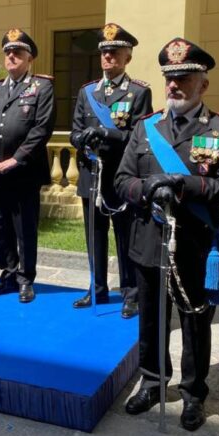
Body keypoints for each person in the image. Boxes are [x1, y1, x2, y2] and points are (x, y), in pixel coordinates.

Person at [114, 38, 219, 431]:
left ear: (202, 84)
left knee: (194, 320)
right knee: (151, 318)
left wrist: (184, 184)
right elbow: (123, 180)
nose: (175, 86)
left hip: (195, 241)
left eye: (184, 79)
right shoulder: (145, 127)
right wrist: (149, 188)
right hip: (147, 238)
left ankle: (193, 393)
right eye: (170, 78)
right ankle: (153, 380)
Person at [69, 23, 152, 318]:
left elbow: (138, 136)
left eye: (115, 53)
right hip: (92, 175)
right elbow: (75, 131)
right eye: (104, 52)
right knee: (95, 236)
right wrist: (82, 138)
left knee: (125, 235)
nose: (108, 58)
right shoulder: (87, 92)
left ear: (127, 57)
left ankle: (130, 292)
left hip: (121, 176)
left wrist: (107, 135)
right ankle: (98, 288)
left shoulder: (139, 92)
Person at [0, 29, 56, 303]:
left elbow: (41, 130)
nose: (11, 56)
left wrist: (14, 160)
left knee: (24, 228)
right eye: (8, 52)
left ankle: (25, 279)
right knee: (0, 227)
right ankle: (7, 274)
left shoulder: (42, 87)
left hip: (23, 173)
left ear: (29, 57)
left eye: (17, 52)